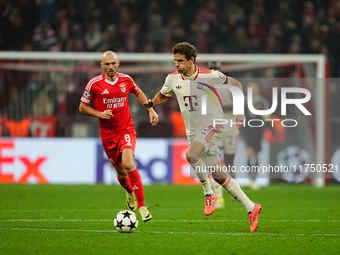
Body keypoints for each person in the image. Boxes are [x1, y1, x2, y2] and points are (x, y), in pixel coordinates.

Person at [148, 42, 262, 232]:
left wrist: (240, 111)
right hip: (193, 131)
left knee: (191, 155)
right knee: (219, 175)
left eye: (181, 61)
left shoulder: (211, 76)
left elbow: (236, 85)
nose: (177, 64)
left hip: (212, 125)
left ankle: (208, 193)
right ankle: (251, 207)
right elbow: (163, 95)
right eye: (175, 61)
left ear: (192, 60)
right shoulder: (172, 79)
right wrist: (151, 105)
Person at [79, 51, 158, 222]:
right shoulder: (94, 84)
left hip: (126, 130)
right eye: (107, 64)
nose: (111, 67)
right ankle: (129, 191)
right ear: (101, 66)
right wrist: (99, 113)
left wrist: (150, 109)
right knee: (121, 173)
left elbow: (138, 92)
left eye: (113, 63)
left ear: (118, 64)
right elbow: (82, 107)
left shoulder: (126, 80)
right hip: (108, 135)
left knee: (129, 163)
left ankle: (142, 205)